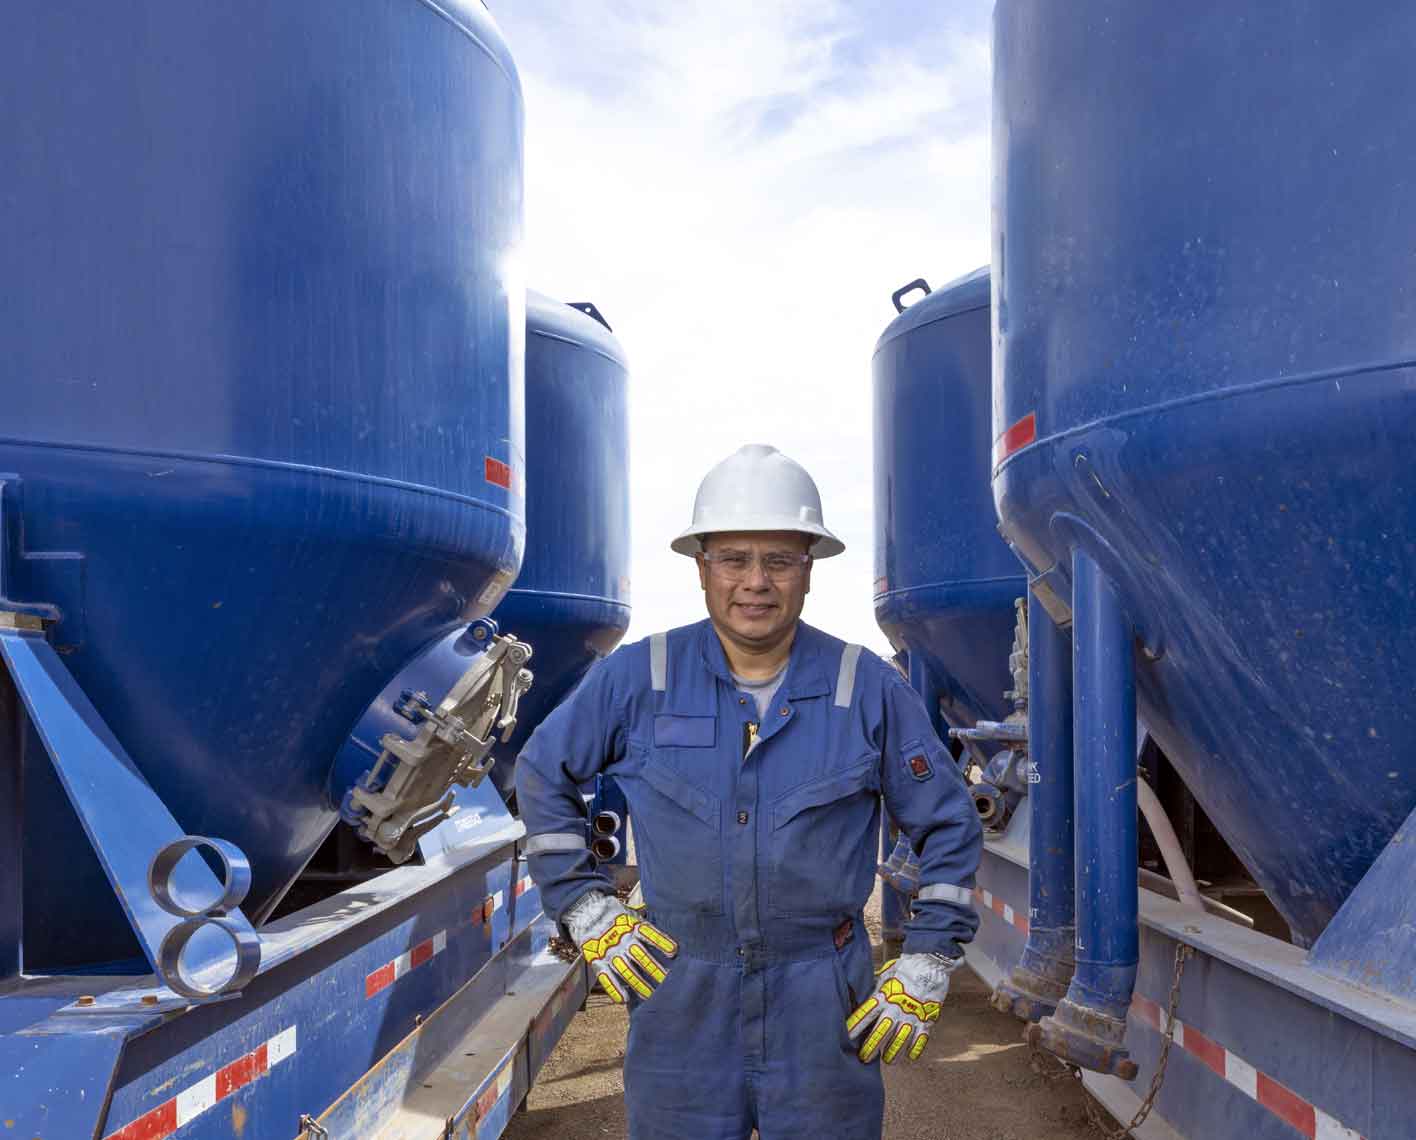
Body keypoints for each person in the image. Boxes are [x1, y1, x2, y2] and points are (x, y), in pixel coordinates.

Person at [515, 443, 982, 1140]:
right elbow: (542, 772)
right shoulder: (641, 677)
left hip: (822, 1000)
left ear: (809, 571)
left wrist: (927, 956)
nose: (755, 582)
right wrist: (583, 904)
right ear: (703, 568)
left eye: (780, 561)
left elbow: (948, 825)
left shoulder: (868, 688)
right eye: (734, 559)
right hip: (681, 998)